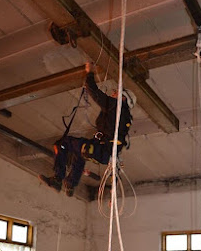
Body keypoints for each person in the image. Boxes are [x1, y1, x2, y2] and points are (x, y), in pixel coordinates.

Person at [39, 63, 136, 196]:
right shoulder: (124, 117)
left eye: (116, 93)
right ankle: (70, 184)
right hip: (102, 151)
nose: (113, 93)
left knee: (62, 144)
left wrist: (89, 73)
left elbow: (94, 92)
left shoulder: (116, 107)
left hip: (101, 150)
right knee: (80, 153)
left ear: (123, 98)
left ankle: (58, 178)